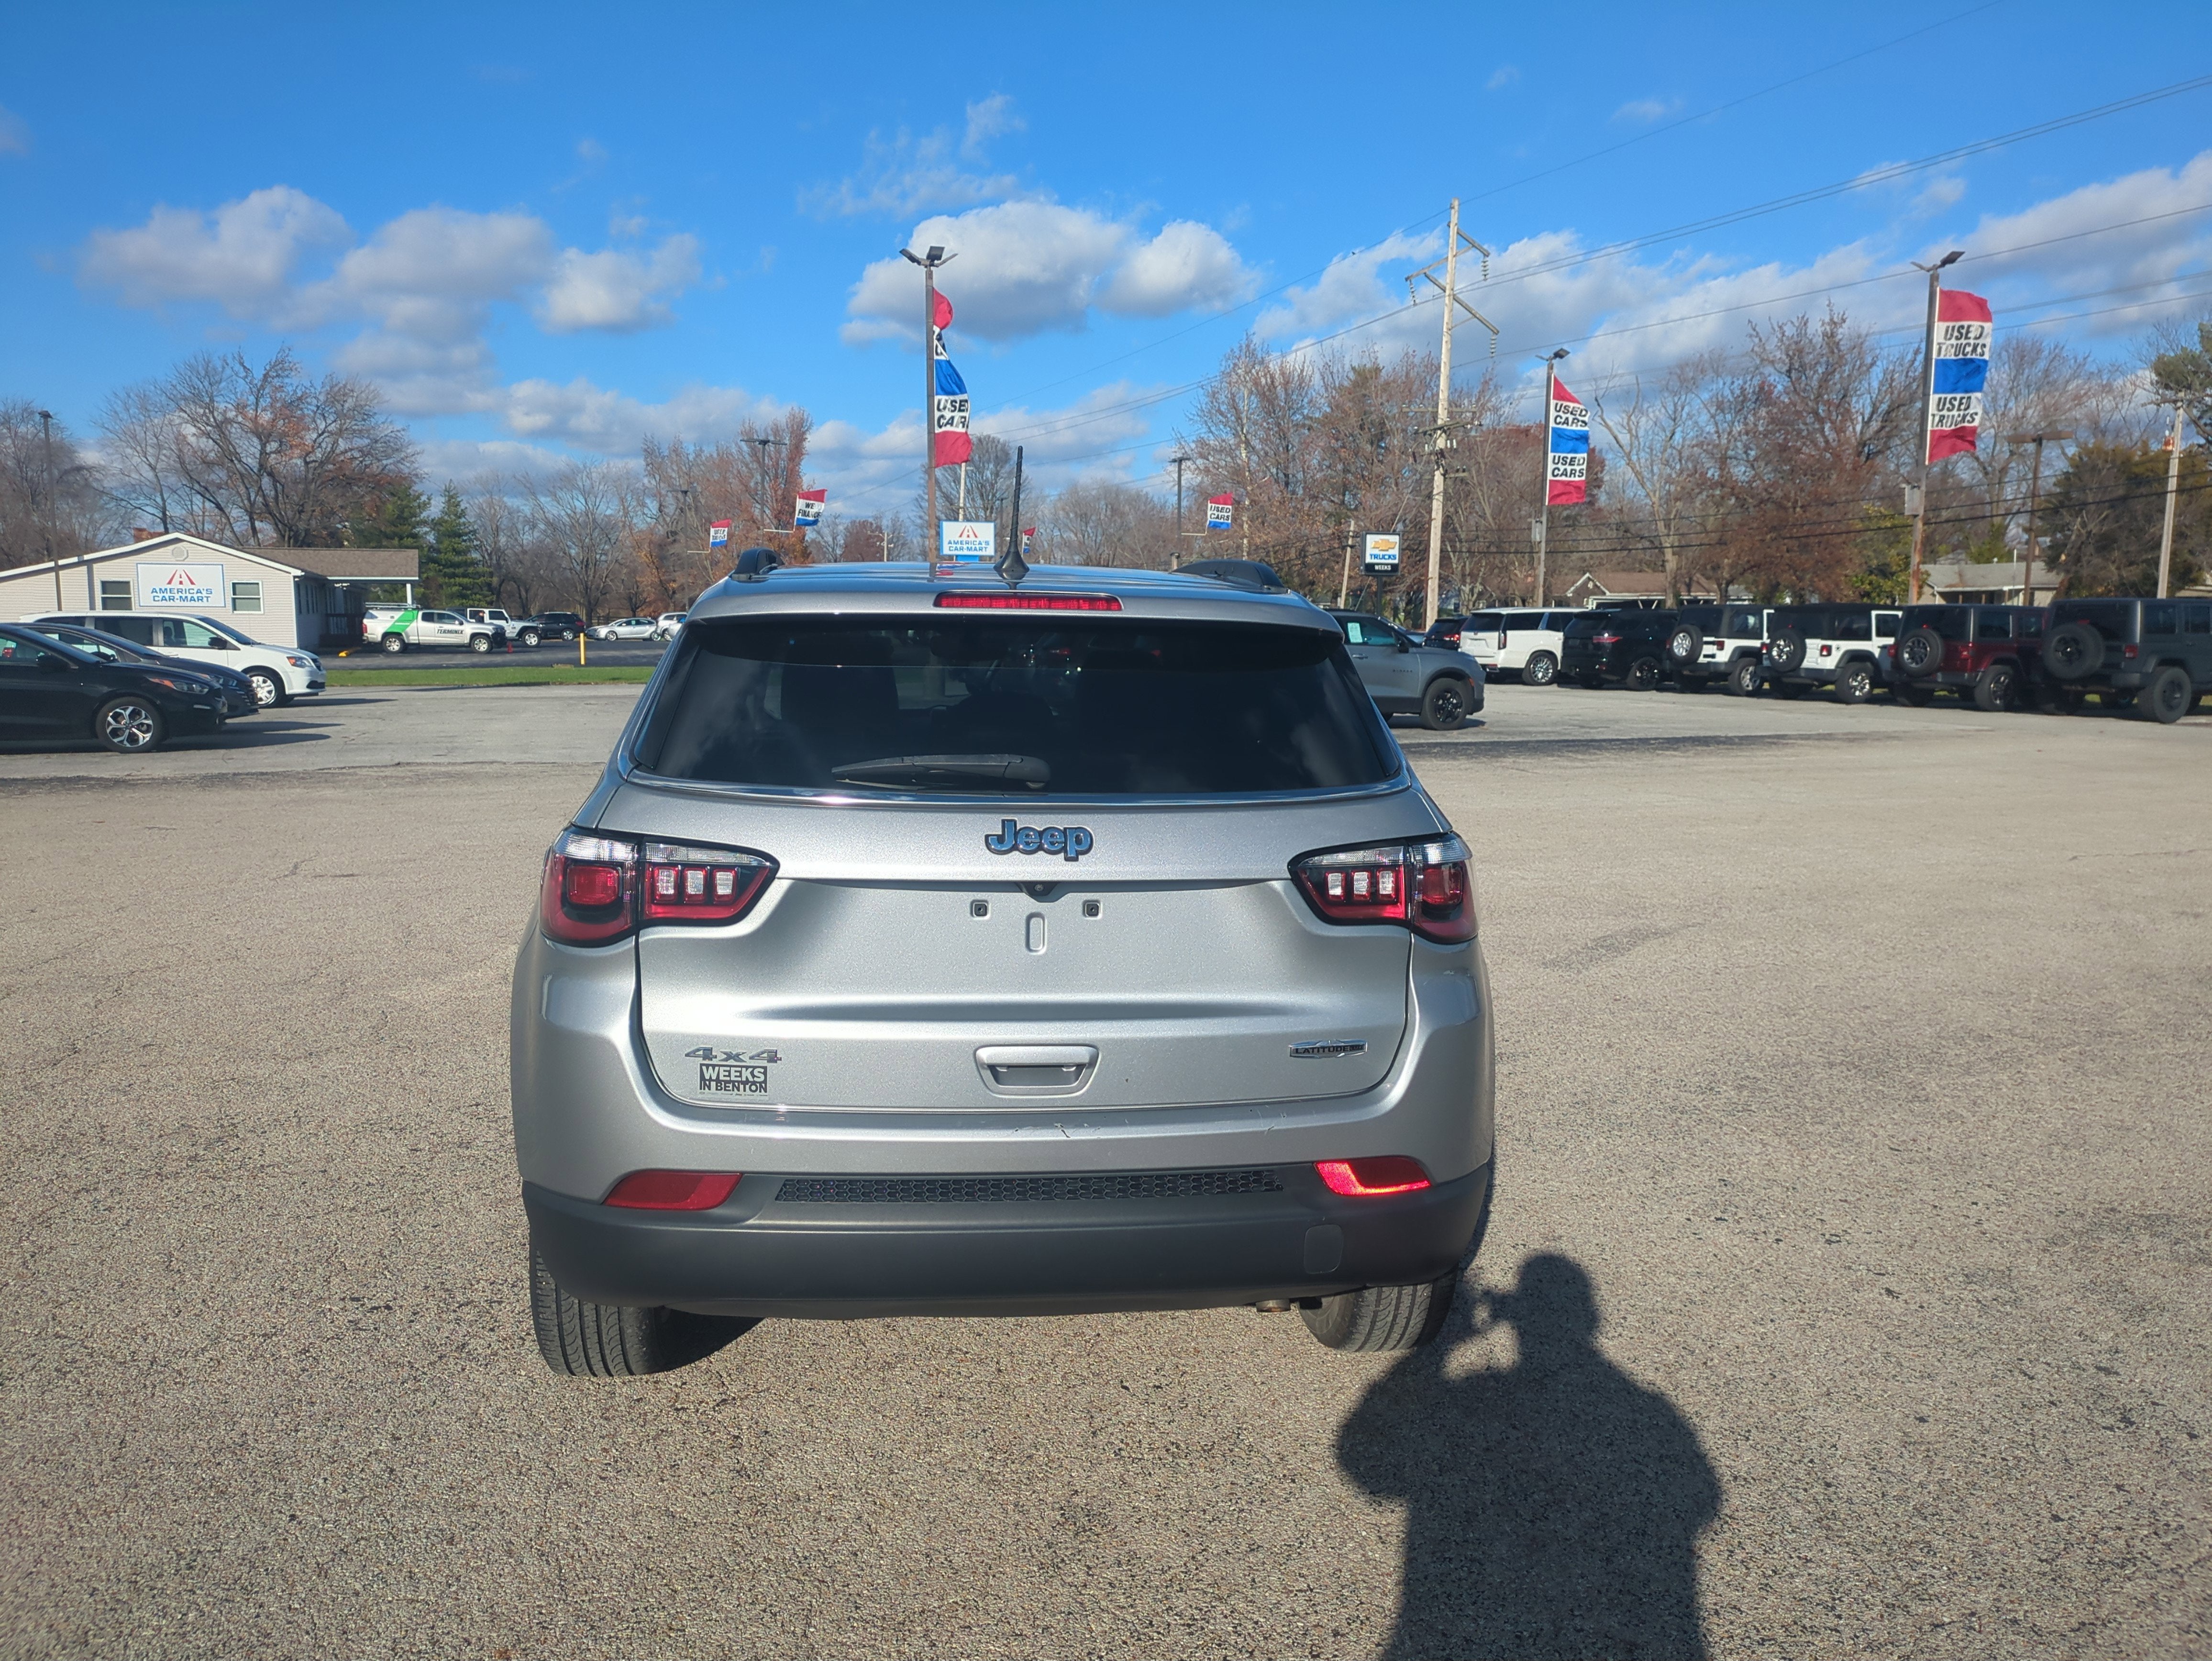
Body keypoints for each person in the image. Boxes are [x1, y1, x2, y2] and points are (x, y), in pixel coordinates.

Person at [1338, 1253, 1722, 1659]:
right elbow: (1702, 1501)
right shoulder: (1648, 1410)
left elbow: (1370, 1473)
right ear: (1590, 1316)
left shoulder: (1473, 1395)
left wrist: (1435, 1356)